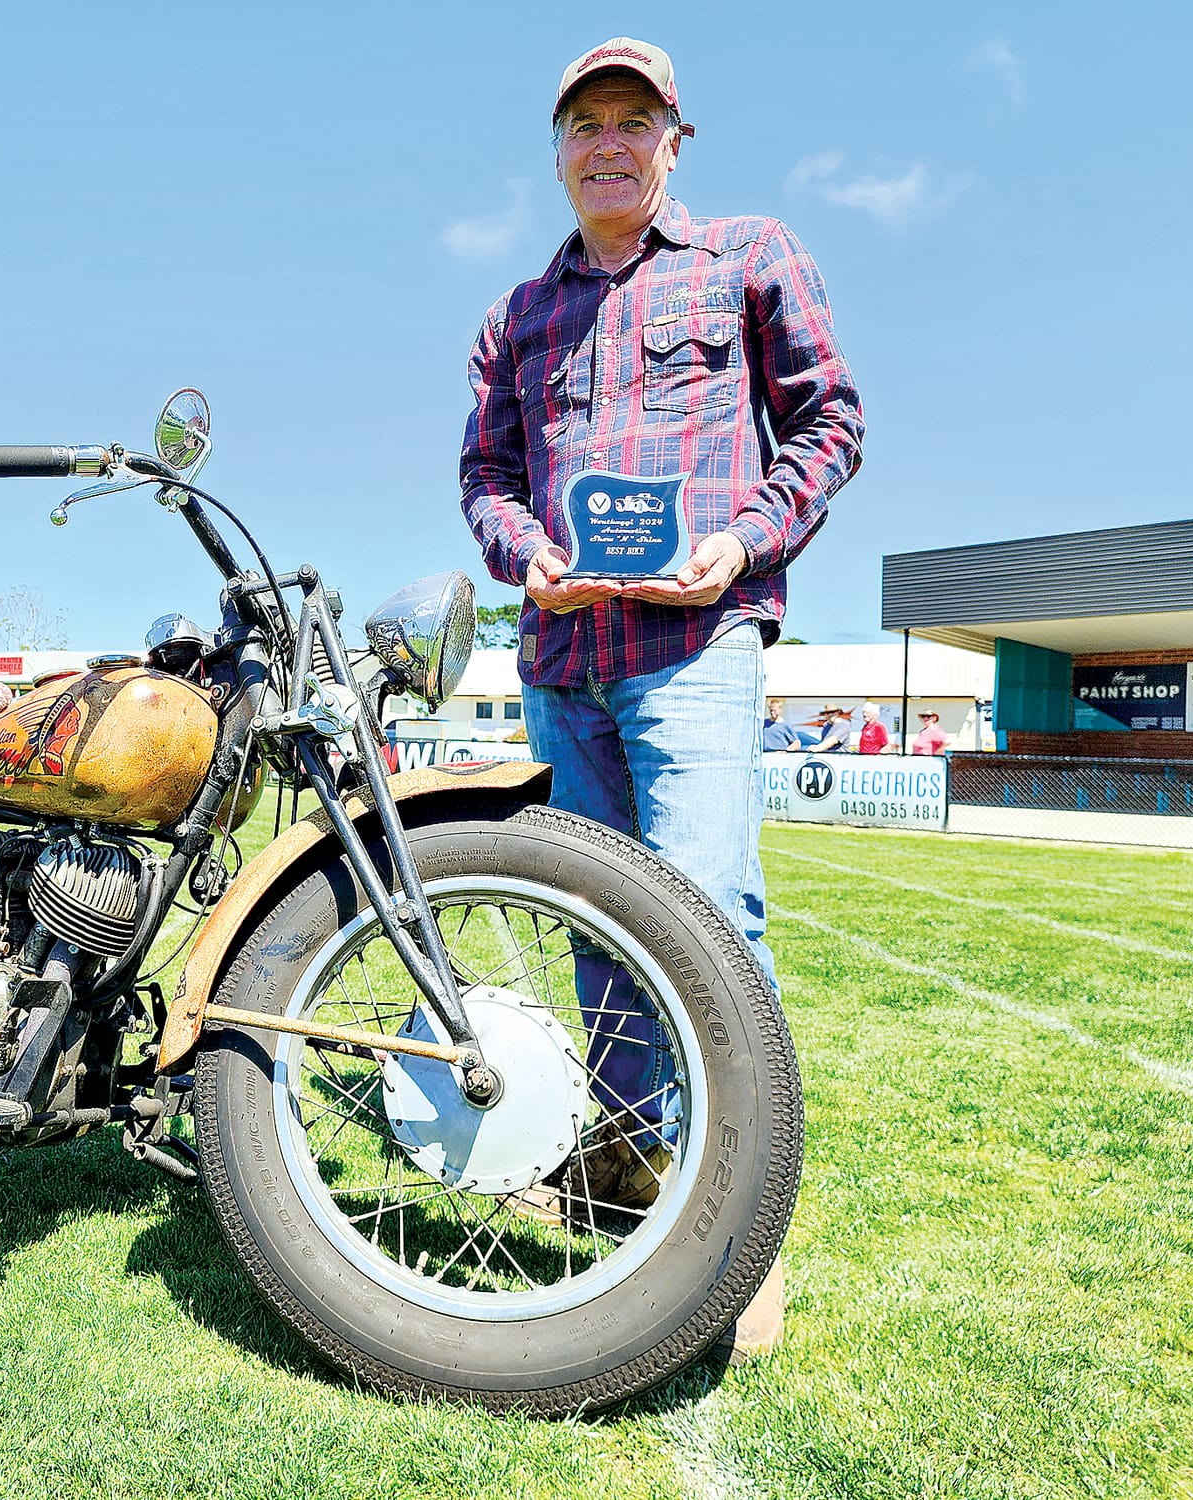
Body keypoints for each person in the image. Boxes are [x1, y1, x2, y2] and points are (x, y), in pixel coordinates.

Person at [460, 37, 862, 1359]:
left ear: (676, 140)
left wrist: (742, 542)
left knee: (709, 918)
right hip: (566, 660)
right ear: (559, 150)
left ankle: (739, 1235)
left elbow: (829, 424)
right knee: (600, 930)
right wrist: (533, 559)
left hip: (697, 646)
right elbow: (488, 480)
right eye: (584, 124)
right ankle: (626, 1173)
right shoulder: (518, 314)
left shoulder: (746, 257)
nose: (609, 144)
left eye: (635, 121)